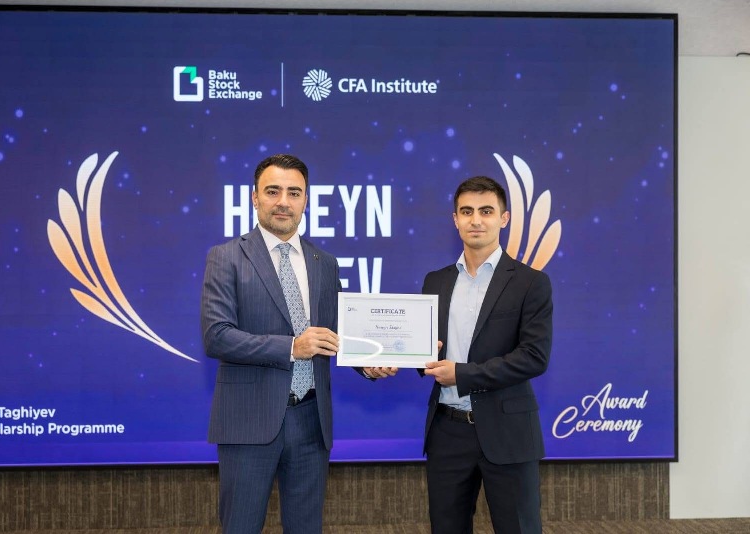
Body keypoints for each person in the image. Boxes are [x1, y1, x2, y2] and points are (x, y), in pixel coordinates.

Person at [200, 153, 395, 534]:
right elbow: (217, 335)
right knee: (240, 527)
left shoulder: (325, 263)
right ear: (254, 197)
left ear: (306, 200)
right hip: (249, 421)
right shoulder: (226, 257)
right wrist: (292, 347)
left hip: (311, 421)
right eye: (272, 191)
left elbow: (337, 333)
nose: (283, 202)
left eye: (294, 192)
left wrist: (369, 363)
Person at [421, 176, 553, 534]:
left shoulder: (531, 282)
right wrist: (396, 358)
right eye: (466, 212)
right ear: (455, 220)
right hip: (447, 431)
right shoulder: (435, 281)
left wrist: (462, 374)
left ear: (503, 218)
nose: (476, 220)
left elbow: (534, 356)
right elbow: (426, 349)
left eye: (486, 211)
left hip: (508, 431)